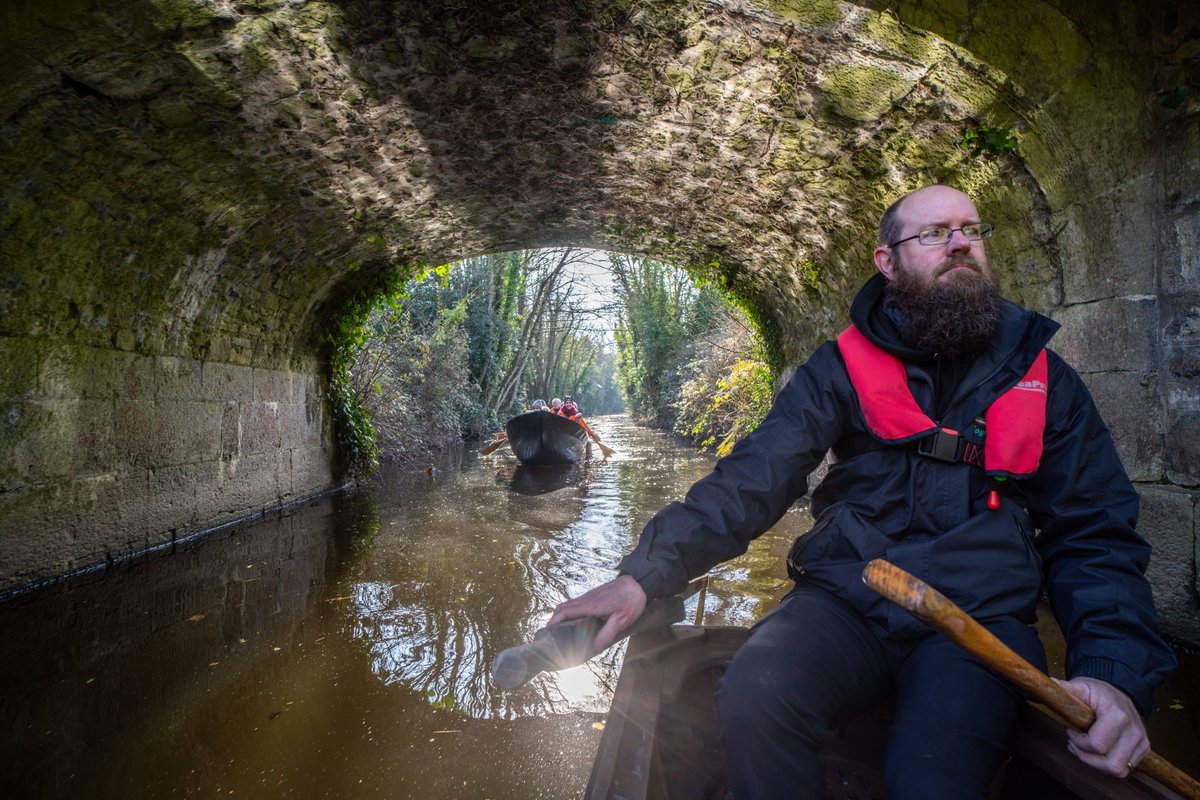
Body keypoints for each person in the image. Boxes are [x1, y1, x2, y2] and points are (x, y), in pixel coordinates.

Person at [547, 185, 1177, 799]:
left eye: (971, 230)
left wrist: (1112, 673)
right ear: (888, 260)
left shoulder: (1047, 378)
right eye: (935, 233)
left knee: (932, 777)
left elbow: (1093, 531)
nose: (959, 244)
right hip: (847, 600)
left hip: (979, 621)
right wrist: (643, 577)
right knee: (753, 693)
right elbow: (754, 478)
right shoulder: (840, 366)